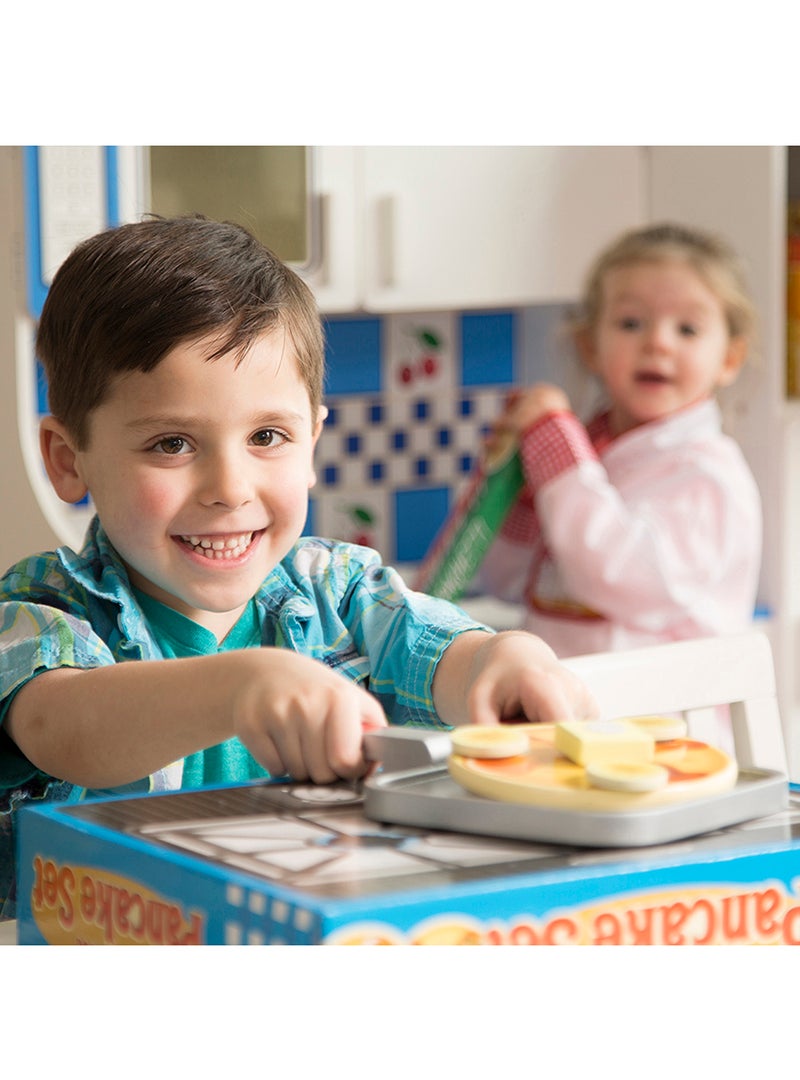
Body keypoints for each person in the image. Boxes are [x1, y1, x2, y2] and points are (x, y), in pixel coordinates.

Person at [0, 215, 595, 919]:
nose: (230, 485)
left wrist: (506, 658)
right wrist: (241, 684)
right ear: (70, 459)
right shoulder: (43, 609)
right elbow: (67, 730)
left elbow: (443, 654)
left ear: (312, 440)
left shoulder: (337, 590)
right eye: (170, 442)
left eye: (267, 436)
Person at [477, 222, 762, 658]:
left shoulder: (708, 474)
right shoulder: (586, 452)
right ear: (590, 346)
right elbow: (505, 581)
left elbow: (620, 577)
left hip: (665, 721)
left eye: (687, 329)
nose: (658, 343)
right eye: (631, 322)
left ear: (729, 358)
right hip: (566, 712)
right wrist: (522, 491)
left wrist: (558, 462)